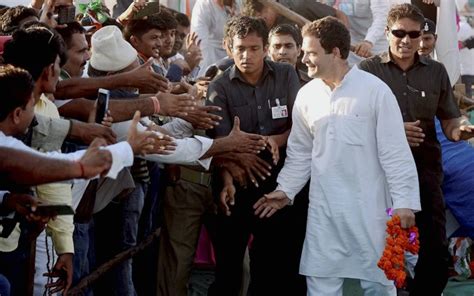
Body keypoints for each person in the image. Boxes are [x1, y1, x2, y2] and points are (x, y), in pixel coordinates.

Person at [255, 16, 420, 296]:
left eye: (311, 53)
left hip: (370, 210)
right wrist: (285, 190)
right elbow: (300, 154)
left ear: (335, 52)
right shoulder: (307, 96)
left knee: (378, 284)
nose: (304, 59)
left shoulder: (375, 91)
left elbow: (395, 153)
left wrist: (404, 202)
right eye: (305, 53)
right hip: (325, 212)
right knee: (320, 283)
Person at [359, 4, 474, 295]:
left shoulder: (435, 72)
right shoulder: (368, 70)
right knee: (385, 241)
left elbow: (449, 119)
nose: (406, 40)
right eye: (399, 33)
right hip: (379, 169)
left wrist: (460, 129)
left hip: (424, 168)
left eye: (414, 34)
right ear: (387, 33)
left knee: (433, 244)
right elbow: (354, 122)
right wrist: (394, 132)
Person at [206, 16, 307, 295]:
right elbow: (220, 143)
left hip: (278, 184)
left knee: (274, 264)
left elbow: (299, 128)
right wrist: (227, 180)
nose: (246, 55)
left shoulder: (286, 76)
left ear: (265, 48)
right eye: (239, 48)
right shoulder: (219, 87)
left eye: (253, 48)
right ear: (228, 48)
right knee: (228, 267)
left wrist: (275, 140)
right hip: (235, 182)